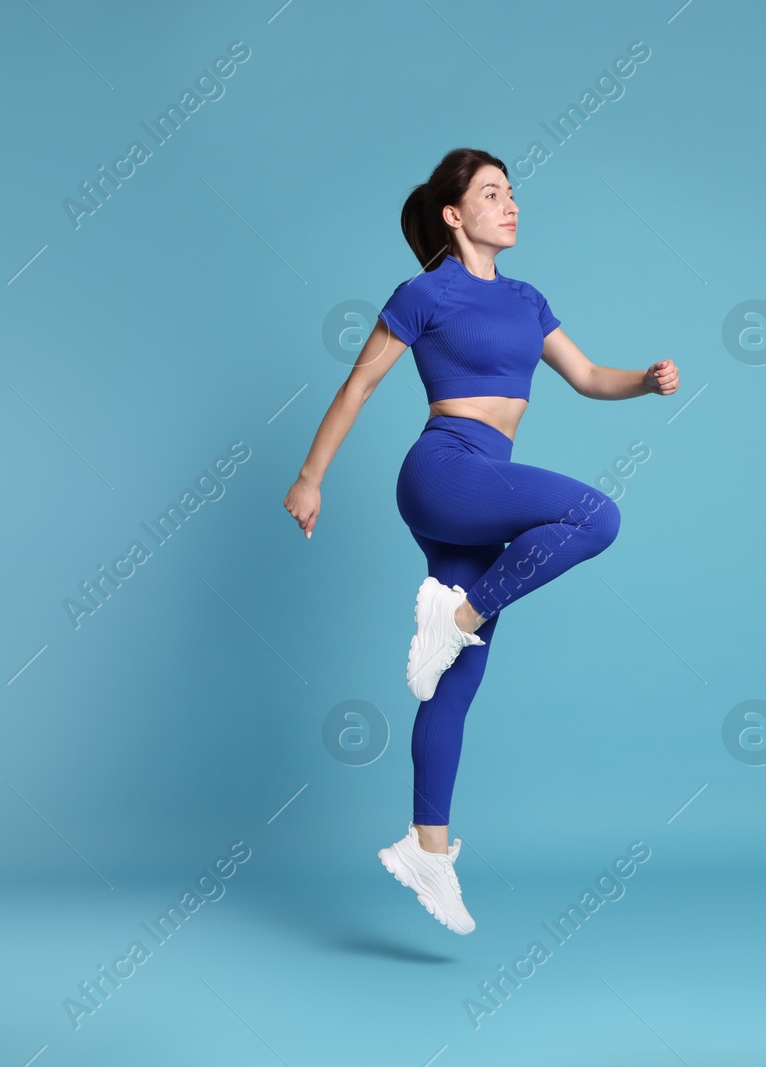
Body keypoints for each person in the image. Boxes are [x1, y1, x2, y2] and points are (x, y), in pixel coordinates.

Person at [283, 147, 678, 934]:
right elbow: (358, 384)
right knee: (596, 517)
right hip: (442, 471)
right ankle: (455, 617)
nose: (512, 205)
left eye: (513, 193)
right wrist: (309, 476)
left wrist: (644, 379)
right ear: (454, 215)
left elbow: (589, 373)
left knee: (452, 680)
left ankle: (427, 846)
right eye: (493, 194)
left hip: (483, 479)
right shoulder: (423, 293)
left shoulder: (529, 300)